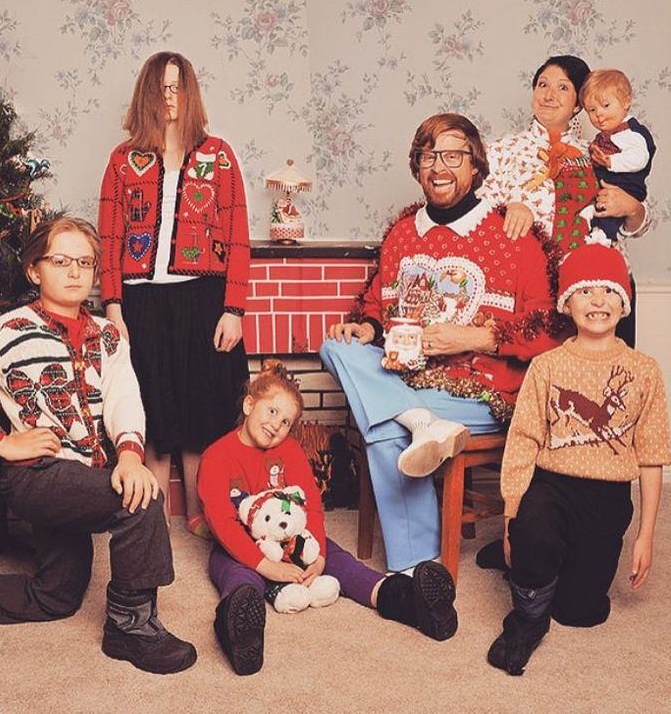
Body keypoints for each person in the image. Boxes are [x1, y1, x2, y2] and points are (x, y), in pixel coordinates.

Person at [0, 217, 197, 675]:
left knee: (56, 595)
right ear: (35, 270)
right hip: (36, 476)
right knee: (139, 499)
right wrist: (1, 442)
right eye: (60, 261)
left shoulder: (109, 334)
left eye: (85, 263)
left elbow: (123, 397)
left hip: (81, 479)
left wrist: (132, 453)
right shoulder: (7, 331)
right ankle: (130, 627)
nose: (74, 272)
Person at [319, 113, 563, 574]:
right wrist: (366, 329)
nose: (439, 167)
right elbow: (376, 305)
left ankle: (414, 565)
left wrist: (477, 336)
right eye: (429, 156)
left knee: (385, 428)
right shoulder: (402, 235)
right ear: (417, 166)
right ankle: (421, 424)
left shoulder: (512, 233)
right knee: (335, 347)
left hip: (476, 390)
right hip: (403, 378)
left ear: (475, 166)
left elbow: (550, 325)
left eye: (453, 155)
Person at [198, 360, 459, 676]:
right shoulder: (216, 455)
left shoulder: (291, 451)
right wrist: (266, 566)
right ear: (250, 404)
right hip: (240, 546)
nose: (276, 425)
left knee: (347, 566)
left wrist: (319, 556)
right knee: (238, 578)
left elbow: (311, 508)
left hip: (295, 541)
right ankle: (240, 633)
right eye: (271, 412)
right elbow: (223, 521)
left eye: (285, 422)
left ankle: (411, 603)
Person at [487, 243, 671, 676]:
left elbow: (651, 456)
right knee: (536, 535)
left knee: (582, 614)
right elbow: (523, 443)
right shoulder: (548, 367)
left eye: (608, 292)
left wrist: (645, 536)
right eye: (586, 291)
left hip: (606, 500)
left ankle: (533, 560)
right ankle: (524, 613)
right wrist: (512, 519)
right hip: (551, 486)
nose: (598, 302)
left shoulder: (645, 371)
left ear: (623, 304)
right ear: (567, 303)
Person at [98, 51, 250, 535]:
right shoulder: (124, 161)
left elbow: (239, 236)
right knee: (151, 415)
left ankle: (209, 519)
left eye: (177, 87)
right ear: (147, 93)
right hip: (141, 303)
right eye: (161, 87)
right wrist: (114, 306)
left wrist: (234, 309)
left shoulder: (219, 155)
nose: (169, 97)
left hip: (201, 299)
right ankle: (151, 525)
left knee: (203, 410)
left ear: (190, 93)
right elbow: (110, 238)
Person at [478, 55, 650, 347]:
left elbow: (638, 223)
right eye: (542, 84)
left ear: (579, 103)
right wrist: (508, 208)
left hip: (597, 292)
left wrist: (631, 207)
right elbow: (474, 211)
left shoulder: (600, 151)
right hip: (526, 293)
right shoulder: (501, 151)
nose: (549, 94)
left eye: (562, 88)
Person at [581, 68, 656, 242]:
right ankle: (590, 214)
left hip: (626, 186)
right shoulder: (609, 134)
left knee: (611, 210)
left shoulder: (631, 132)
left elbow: (640, 158)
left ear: (625, 101)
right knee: (598, 197)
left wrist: (611, 161)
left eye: (605, 105)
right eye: (591, 110)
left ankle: (603, 235)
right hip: (608, 182)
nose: (598, 114)